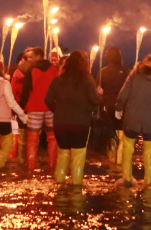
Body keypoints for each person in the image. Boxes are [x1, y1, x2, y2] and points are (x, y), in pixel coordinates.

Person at [115, 54, 151, 187]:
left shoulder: (134, 74)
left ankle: (127, 178)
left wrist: (118, 108)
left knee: (128, 148)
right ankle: (148, 181)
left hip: (132, 118)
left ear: (144, 63)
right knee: (150, 152)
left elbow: (123, 94)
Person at [45, 50, 100, 185]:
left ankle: (59, 182)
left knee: (63, 153)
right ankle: (76, 186)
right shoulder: (87, 79)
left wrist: (57, 110)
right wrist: (100, 95)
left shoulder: (57, 80)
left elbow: (48, 100)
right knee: (78, 155)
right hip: (80, 123)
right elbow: (94, 100)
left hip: (60, 124)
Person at [19, 47, 59, 170]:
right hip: (51, 108)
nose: (29, 59)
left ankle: (31, 166)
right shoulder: (54, 69)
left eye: (31, 57)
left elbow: (25, 91)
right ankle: (52, 164)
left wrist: (21, 109)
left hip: (34, 108)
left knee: (32, 138)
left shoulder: (31, 70)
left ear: (38, 56)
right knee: (52, 137)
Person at [98, 47, 129, 164]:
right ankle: (120, 161)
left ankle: (111, 160)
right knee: (121, 133)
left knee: (110, 134)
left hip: (107, 107)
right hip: (122, 107)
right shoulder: (126, 72)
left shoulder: (102, 72)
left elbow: (98, 90)